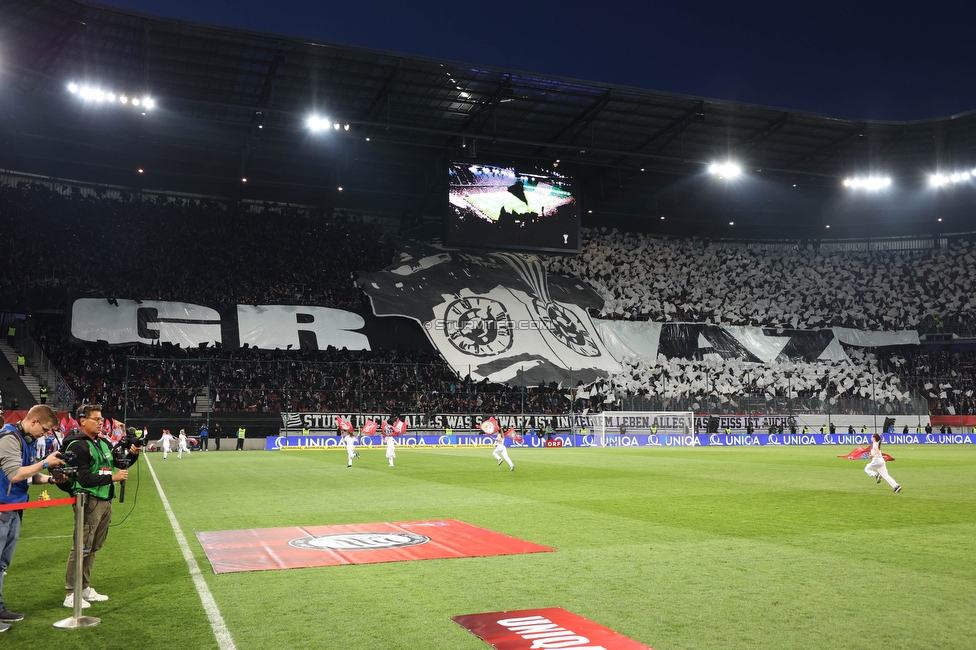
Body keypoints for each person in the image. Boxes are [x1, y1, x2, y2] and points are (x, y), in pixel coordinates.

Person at [62, 403, 140, 608]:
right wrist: (113, 478)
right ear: (82, 421)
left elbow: (118, 462)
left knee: (94, 546)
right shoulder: (77, 445)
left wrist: (132, 455)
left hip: (105, 499)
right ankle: (71, 593)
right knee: (81, 547)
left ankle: (84, 587)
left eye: (101, 419)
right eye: (96, 419)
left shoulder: (102, 443)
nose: (100, 423)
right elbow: (84, 478)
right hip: (88, 501)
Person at [0, 405, 65, 627]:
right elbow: (16, 474)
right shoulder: (9, 437)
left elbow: (30, 475)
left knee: (1, 564)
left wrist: (50, 479)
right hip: (2, 508)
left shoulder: (23, 439)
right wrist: (46, 462)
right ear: (34, 421)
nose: (45, 434)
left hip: (13, 509)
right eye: (45, 429)